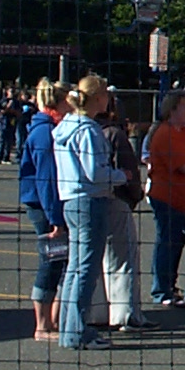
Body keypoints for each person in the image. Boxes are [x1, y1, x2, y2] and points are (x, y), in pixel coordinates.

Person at [55, 74, 124, 351]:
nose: (108, 98)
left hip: (70, 199)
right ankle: (77, 331)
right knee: (86, 268)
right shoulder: (89, 130)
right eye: (106, 94)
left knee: (75, 267)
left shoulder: (65, 126)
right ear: (97, 98)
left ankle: (67, 328)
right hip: (89, 200)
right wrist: (121, 175)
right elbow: (95, 173)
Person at [145, 91, 185, 308]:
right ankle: (161, 290)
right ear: (172, 109)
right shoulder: (165, 134)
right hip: (167, 197)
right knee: (168, 242)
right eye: (184, 106)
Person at [18, 78, 70, 341]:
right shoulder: (45, 133)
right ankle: (42, 325)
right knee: (51, 261)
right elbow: (47, 180)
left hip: (45, 205)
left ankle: (52, 321)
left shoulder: (47, 129)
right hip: (44, 207)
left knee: (59, 261)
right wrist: (55, 219)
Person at [100, 97, 156, 332]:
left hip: (94, 200)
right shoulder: (115, 135)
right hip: (117, 198)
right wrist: (135, 194)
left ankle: (99, 312)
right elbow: (129, 169)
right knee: (123, 258)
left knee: (100, 259)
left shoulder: (91, 131)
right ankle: (126, 314)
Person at [0, 85, 25, 163]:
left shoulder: (16, 102)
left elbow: (19, 112)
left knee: (9, 140)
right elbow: (2, 111)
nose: (12, 93)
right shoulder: (4, 100)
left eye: (13, 92)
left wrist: (13, 112)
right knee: (2, 139)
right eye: (11, 91)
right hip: (3, 122)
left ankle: (6, 157)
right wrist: (9, 106)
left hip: (11, 122)